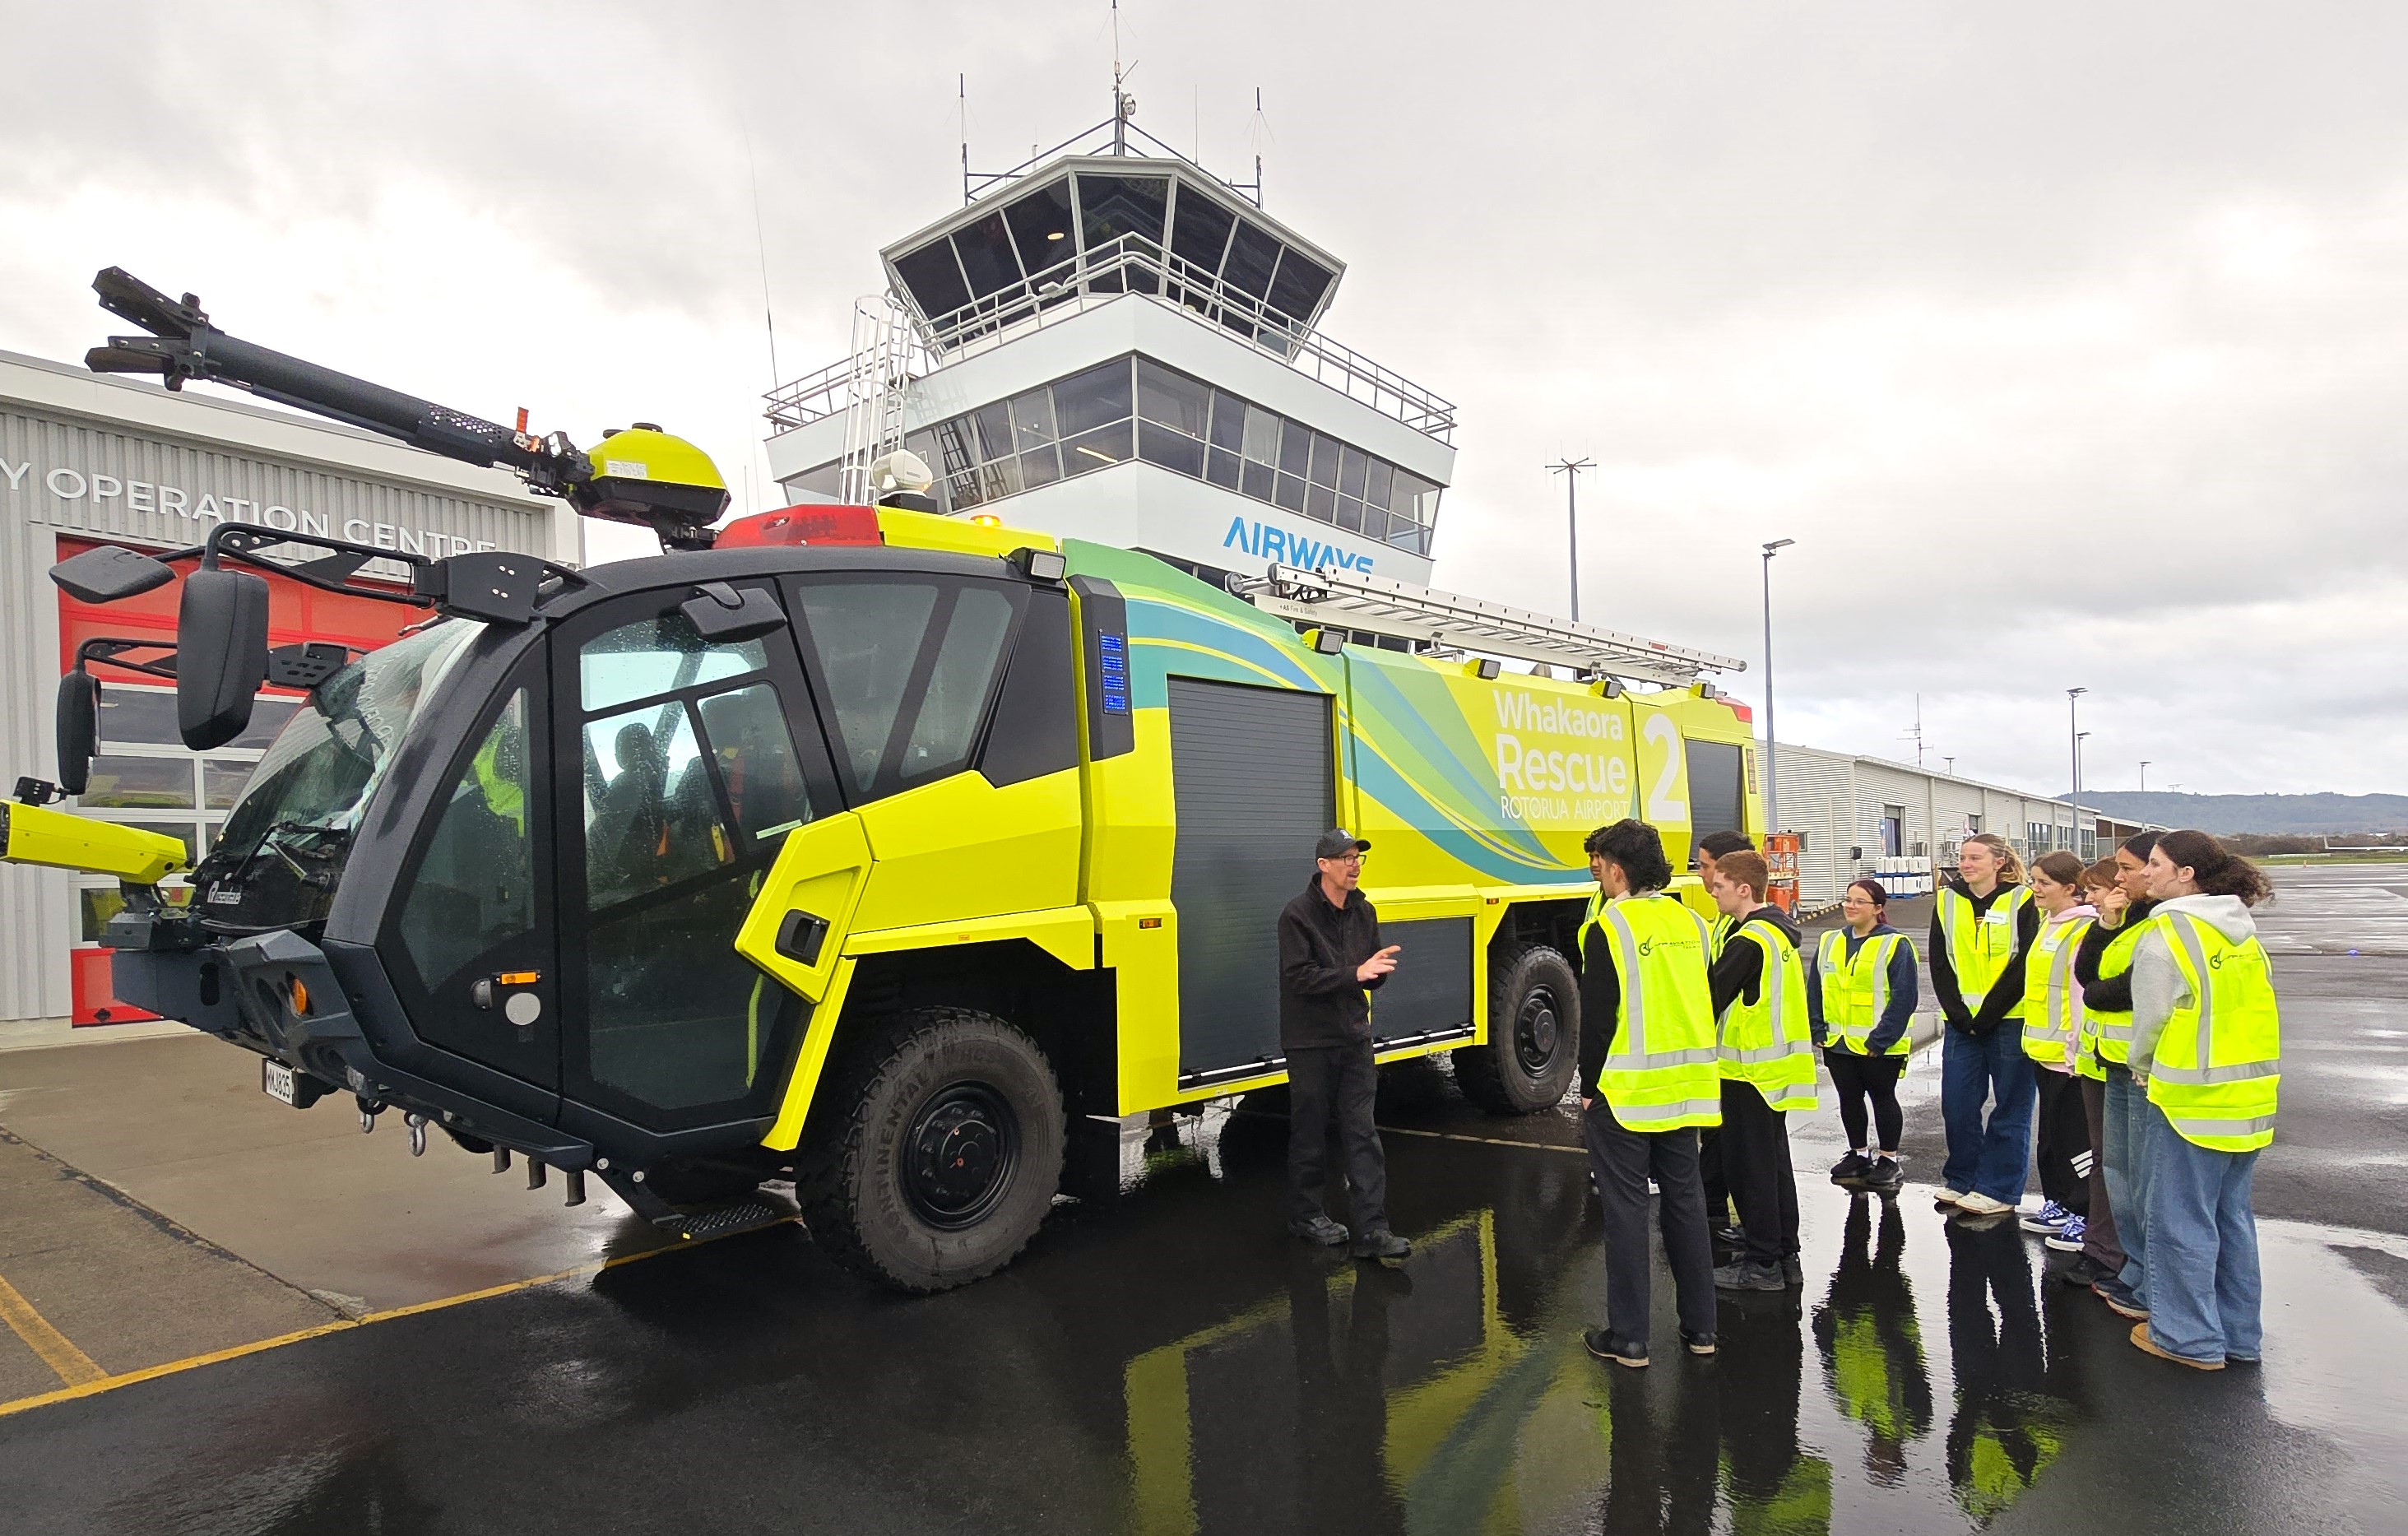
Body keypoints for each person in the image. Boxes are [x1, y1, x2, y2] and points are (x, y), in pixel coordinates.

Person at [2126, 830, 2280, 1370]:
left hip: (2192, 1101)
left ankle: (2186, 1336)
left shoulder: (2168, 934)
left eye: (2155, 862)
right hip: (2249, 1099)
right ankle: (2239, 1334)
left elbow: (2148, 1021)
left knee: (2178, 1220)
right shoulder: (2240, 931)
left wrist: (2139, 1065)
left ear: (2185, 874)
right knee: (2230, 1217)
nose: (2146, 872)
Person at [1577, 819, 1722, 1368]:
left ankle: (1630, 1338)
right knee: (1685, 1206)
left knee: (1627, 1211)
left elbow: (1596, 1020)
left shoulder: (1609, 928)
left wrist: (1590, 1089)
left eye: (1601, 865)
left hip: (1627, 1092)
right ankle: (1702, 1329)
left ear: (1616, 870)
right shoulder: (1692, 921)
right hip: (1685, 1089)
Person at [1278, 828, 1410, 1261]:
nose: (1354, 865)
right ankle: (1306, 1215)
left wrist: (1376, 972)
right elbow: (1299, 977)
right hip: (1310, 1042)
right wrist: (1355, 973)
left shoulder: (1363, 912)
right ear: (1324, 866)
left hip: (1354, 1037)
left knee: (1362, 1132)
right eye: (1347, 858)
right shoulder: (1296, 916)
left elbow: (1369, 967)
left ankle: (1372, 1229)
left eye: (1358, 858)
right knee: (1310, 1131)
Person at [1705, 849, 1816, 1291]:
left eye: (1719, 886)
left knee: (1749, 1170)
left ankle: (1761, 1264)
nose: (1713, 893)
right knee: (1773, 1166)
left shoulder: (1750, 940)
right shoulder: (1778, 933)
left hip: (1747, 1072)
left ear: (1744, 889)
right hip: (1772, 1071)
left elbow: (1708, 997)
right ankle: (1782, 1249)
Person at [1929, 833, 2040, 1218]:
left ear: (1999, 862)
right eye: (1962, 857)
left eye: (1975, 857)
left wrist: (1989, 1013)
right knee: (1957, 1105)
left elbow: (2024, 962)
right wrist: (1960, 1014)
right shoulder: (1947, 900)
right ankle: (1962, 1178)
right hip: (1961, 1023)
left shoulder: (2023, 900)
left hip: (2009, 1020)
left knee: (2010, 1108)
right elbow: (1940, 961)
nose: (1966, 864)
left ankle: (2000, 1188)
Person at [2072, 832, 2160, 1318]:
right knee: (2114, 1165)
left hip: (2137, 1063)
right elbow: (2089, 977)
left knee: (2138, 1170)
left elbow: (2117, 991)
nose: (2123, 877)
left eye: (2126, 870)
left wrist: (2102, 989)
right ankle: (2120, 1260)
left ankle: (2130, 1264)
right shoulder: (2119, 921)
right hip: (2106, 1056)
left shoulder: (2159, 922)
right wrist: (2106, 923)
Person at [1808, 879, 1919, 1192]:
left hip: (1877, 1045)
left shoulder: (1895, 944)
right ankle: (1858, 1154)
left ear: (1878, 909)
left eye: (1859, 902)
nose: (1850, 906)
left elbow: (1904, 997)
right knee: (1849, 1099)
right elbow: (1814, 988)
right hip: (1837, 1041)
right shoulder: (1830, 940)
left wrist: (1880, 1039)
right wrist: (1817, 1028)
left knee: (1883, 1099)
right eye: (1847, 900)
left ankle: (1889, 1159)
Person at [2055, 859, 2132, 1296]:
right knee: (2107, 1162)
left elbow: (2107, 991)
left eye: (2097, 889)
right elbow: (2088, 978)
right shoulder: (2105, 926)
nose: (2092, 898)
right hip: (2097, 1056)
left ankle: (2113, 1254)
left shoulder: (2143, 930)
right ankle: (2103, 1249)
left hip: (2125, 1064)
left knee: (2119, 1164)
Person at [2018, 852, 2096, 1249]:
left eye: (2044, 883)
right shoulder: (2048, 924)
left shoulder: (2082, 929)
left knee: (2075, 1141)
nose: (2035, 889)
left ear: (2071, 888)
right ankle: (2059, 1202)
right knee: (2050, 1138)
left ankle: (2084, 1213)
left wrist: (2075, 1051)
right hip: (2042, 1052)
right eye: (2033, 881)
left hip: (2067, 1057)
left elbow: (2080, 996)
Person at [1693, 829, 1756, 1246]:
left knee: (1734, 1146)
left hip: (1742, 1058)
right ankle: (1713, 1207)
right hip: (1726, 1051)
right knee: (1720, 1140)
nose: (1701, 877)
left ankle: (1741, 1228)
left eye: (1704, 866)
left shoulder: (1750, 933)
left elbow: (1717, 992)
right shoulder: (1725, 924)